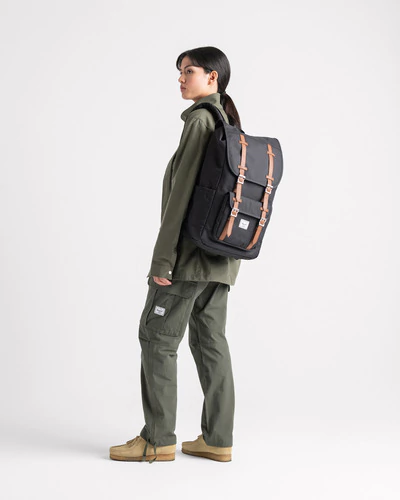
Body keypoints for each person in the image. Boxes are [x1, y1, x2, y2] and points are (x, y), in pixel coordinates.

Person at [109, 46, 242, 463]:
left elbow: (181, 195)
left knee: (157, 338)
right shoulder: (228, 121)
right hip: (221, 259)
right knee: (211, 342)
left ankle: (157, 439)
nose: (181, 78)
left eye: (189, 71)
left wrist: (162, 259)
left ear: (212, 77)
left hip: (188, 259)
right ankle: (218, 439)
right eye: (180, 72)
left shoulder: (202, 120)